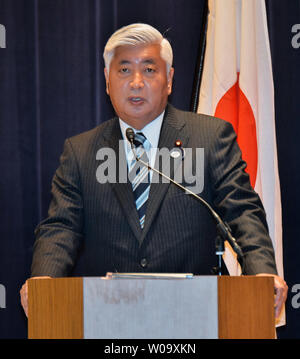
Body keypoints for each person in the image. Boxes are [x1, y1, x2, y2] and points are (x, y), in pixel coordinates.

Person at [20, 23, 287, 319]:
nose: (136, 82)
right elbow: (62, 227)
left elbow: (242, 212)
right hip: (109, 316)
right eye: (123, 70)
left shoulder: (210, 138)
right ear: (107, 80)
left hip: (195, 314)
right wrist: (44, 278)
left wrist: (262, 273)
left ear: (169, 79)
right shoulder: (81, 151)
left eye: (149, 70)